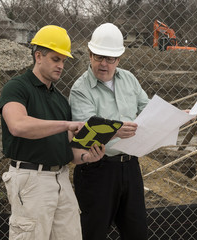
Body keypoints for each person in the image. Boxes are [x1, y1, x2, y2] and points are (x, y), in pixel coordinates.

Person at [0, 25, 105, 240]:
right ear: (38, 55)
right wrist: (66, 124)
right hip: (30, 179)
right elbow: (18, 125)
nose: (61, 65)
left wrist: (87, 156)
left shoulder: (60, 100)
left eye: (64, 61)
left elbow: (68, 149)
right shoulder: (17, 87)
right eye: (56, 59)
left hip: (61, 178)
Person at [69, 23, 149, 240]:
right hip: (97, 170)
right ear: (90, 54)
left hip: (130, 167)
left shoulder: (129, 80)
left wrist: (174, 115)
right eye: (98, 57)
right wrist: (115, 132)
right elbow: (85, 133)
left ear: (118, 59)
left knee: (137, 232)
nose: (103, 64)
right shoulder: (81, 89)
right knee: (92, 233)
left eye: (109, 59)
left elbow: (147, 109)